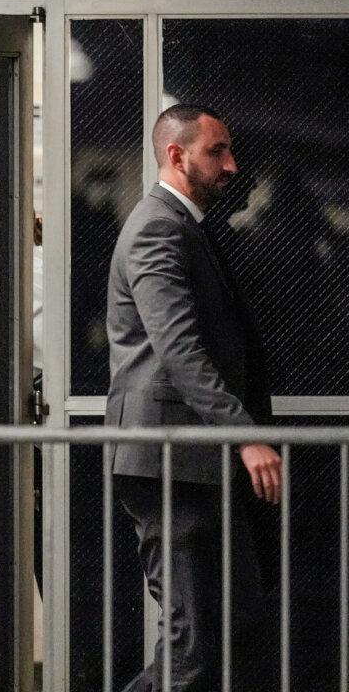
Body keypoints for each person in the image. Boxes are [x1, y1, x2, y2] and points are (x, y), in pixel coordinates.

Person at [106, 104, 281, 691]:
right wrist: (247, 434)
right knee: (196, 638)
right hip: (169, 458)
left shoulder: (184, 226)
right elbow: (179, 349)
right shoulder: (158, 226)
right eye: (217, 151)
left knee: (224, 627)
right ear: (177, 157)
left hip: (190, 459)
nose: (232, 165)